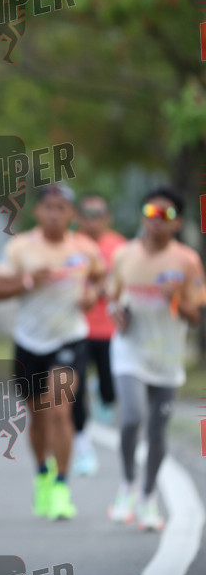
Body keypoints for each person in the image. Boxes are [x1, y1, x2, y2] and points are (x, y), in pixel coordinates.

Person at [0, 184, 104, 520]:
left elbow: (100, 277)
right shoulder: (20, 247)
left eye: (61, 208)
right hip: (29, 343)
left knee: (59, 411)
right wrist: (28, 281)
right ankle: (42, 473)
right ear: (38, 211)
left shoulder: (84, 248)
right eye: (49, 207)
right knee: (38, 418)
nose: (55, 214)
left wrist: (92, 294)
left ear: (72, 214)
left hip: (69, 340)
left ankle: (61, 486)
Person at [107, 187, 206, 531]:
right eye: (151, 212)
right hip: (129, 350)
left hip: (167, 356)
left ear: (177, 223)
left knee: (157, 429)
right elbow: (113, 298)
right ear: (142, 216)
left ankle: (149, 497)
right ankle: (127, 486)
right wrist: (116, 312)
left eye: (166, 215)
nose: (156, 220)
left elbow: (195, 316)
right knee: (131, 417)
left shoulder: (187, 260)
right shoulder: (124, 254)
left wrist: (175, 299)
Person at [71, 195, 126, 475]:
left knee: (109, 390)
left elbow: (126, 280)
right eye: (87, 214)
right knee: (73, 389)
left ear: (107, 217)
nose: (93, 220)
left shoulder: (119, 246)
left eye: (98, 214)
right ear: (79, 217)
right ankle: (83, 445)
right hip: (77, 329)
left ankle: (101, 391)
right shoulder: (71, 245)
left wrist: (108, 288)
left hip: (110, 330)